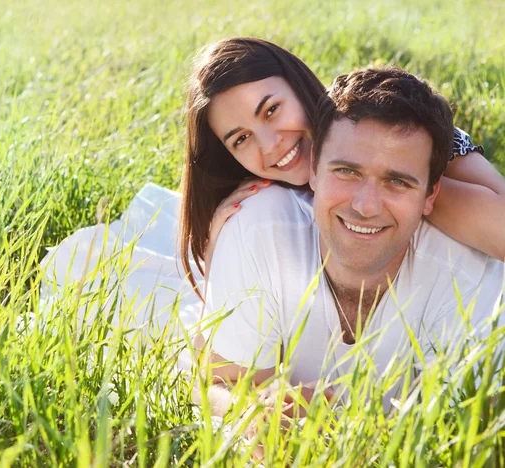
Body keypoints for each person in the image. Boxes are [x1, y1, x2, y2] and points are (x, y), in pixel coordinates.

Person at [40, 37, 505, 341]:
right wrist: (221, 239)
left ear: (302, 86)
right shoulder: (261, 198)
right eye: (241, 139)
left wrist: (395, 189)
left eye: (271, 111)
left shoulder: (390, 142)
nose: (271, 145)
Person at [197, 66, 504, 414]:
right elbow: (220, 384)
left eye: (398, 181)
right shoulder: (258, 223)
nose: (365, 206)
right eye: (347, 171)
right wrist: (256, 417)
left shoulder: (466, 273)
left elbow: (461, 431)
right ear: (314, 165)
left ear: (431, 194)